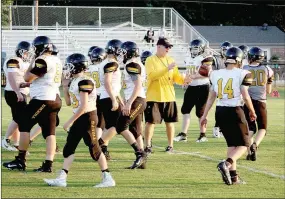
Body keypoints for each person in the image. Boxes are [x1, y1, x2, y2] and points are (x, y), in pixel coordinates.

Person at [44, 53, 115, 188]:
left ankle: (108, 177)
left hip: (88, 117)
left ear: (77, 67)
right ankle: (62, 178)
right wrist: (65, 86)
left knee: (94, 147)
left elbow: (83, 106)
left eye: (70, 66)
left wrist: (69, 121)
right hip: (81, 117)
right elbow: (70, 102)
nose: (67, 69)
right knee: (69, 147)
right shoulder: (75, 81)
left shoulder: (85, 82)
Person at [3, 36, 62, 172]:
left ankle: (20, 160)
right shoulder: (56, 59)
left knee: (23, 122)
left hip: (43, 99)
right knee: (49, 132)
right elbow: (45, 78)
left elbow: (27, 76)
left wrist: (33, 63)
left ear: (40, 48)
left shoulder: (42, 60)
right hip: (55, 98)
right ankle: (48, 165)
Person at [200, 47, 257, 185]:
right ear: (239, 59)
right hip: (235, 110)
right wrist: (252, 110)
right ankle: (226, 163)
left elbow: (211, 96)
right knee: (245, 144)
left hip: (220, 111)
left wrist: (204, 114)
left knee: (232, 144)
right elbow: (245, 93)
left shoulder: (215, 74)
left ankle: (234, 177)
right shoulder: (244, 73)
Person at [98, 41, 147, 169]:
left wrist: (129, 103)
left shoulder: (131, 64)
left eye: (123, 52)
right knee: (136, 130)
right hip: (137, 99)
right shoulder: (134, 63)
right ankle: (142, 161)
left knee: (121, 125)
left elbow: (138, 85)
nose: (121, 54)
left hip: (136, 100)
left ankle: (140, 153)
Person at [144, 38, 192, 154]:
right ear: (158, 47)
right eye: (166, 47)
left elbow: (175, 77)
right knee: (151, 122)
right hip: (154, 96)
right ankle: (147, 145)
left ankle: (170, 145)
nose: (168, 49)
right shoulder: (150, 60)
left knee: (170, 122)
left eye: (169, 47)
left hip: (169, 96)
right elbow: (152, 76)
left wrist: (184, 80)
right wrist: (166, 69)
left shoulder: (170, 60)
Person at [174, 39, 212, 143]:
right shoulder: (188, 58)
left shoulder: (205, 58)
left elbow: (206, 73)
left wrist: (193, 76)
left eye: (196, 48)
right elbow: (187, 72)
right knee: (185, 110)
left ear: (201, 49)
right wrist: (185, 81)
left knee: (201, 113)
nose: (194, 51)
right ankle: (183, 134)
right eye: (193, 48)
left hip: (203, 87)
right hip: (191, 86)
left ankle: (203, 135)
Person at [243, 46, 274, 161]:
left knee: (250, 128)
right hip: (261, 101)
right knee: (262, 128)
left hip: (247, 101)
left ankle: (249, 152)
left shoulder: (244, 68)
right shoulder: (268, 69)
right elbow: (268, 91)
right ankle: (255, 145)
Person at [2, 41, 33, 151]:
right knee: (20, 117)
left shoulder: (20, 61)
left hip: (18, 92)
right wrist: (18, 92)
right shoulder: (13, 60)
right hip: (14, 92)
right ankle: (6, 139)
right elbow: (11, 77)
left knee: (17, 118)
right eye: (27, 53)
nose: (28, 55)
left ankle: (16, 143)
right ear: (21, 51)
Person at [97, 39, 123, 160]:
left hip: (105, 96)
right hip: (108, 97)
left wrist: (119, 98)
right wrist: (113, 99)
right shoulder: (112, 63)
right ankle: (97, 145)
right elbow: (108, 83)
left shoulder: (105, 62)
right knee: (117, 126)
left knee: (108, 127)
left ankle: (103, 150)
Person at [212, 41, 233, 138]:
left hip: (230, 86)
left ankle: (224, 128)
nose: (225, 52)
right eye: (224, 50)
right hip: (220, 85)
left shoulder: (232, 60)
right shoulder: (217, 59)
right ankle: (217, 127)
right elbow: (213, 72)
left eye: (227, 50)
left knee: (230, 108)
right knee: (220, 106)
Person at [86, 47, 107, 139]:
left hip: (90, 97)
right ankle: (97, 143)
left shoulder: (87, 69)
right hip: (101, 96)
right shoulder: (103, 67)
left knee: (93, 121)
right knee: (101, 124)